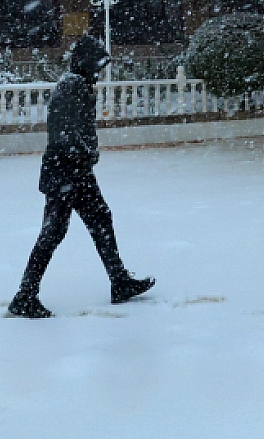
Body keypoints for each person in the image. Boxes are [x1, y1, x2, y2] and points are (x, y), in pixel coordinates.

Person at [8, 34, 155, 318]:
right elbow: (66, 132)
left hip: (73, 170)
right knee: (54, 232)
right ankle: (25, 295)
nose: (99, 73)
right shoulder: (73, 86)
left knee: (100, 219)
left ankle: (119, 281)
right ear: (86, 62)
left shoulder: (76, 84)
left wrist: (85, 157)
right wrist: (86, 154)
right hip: (66, 171)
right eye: (97, 65)